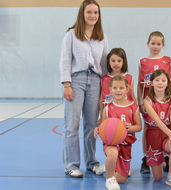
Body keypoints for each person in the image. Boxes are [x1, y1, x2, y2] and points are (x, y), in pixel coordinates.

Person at [59, 0, 108, 178]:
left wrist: (106, 88)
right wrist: (67, 84)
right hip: (76, 80)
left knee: (91, 124)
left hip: (95, 81)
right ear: (82, 13)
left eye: (96, 12)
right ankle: (71, 164)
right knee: (71, 125)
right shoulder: (71, 35)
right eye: (89, 12)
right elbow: (65, 60)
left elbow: (104, 63)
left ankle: (92, 163)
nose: (93, 15)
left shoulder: (102, 36)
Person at [94, 75, 142, 190]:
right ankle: (109, 179)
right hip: (111, 143)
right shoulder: (107, 108)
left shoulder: (134, 107)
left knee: (121, 180)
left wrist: (130, 127)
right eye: (115, 88)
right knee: (112, 154)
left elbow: (139, 127)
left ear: (127, 89)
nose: (118, 90)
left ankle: (107, 167)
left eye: (121, 88)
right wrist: (98, 130)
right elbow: (104, 126)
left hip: (126, 145)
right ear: (110, 90)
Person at [137, 31, 171, 173]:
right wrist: (140, 103)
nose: (155, 46)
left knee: (166, 126)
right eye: (153, 43)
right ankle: (146, 157)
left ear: (163, 45)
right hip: (149, 100)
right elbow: (140, 85)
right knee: (148, 128)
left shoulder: (167, 60)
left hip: (164, 100)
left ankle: (165, 157)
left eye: (158, 44)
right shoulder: (143, 62)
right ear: (148, 44)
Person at [143, 69, 171, 189]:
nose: (160, 83)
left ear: (168, 83)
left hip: (167, 132)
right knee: (158, 177)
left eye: (163, 80)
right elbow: (157, 120)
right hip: (153, 134)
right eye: (157, 80)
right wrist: (170, 134)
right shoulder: (147, 100)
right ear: (151, 83)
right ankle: (162, 160)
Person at [98, 48, 137, 124]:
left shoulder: (129, 78)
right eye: (113, 61)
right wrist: (101, 117)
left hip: (125, 114)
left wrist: (136, 114)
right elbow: (101, 99)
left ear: (123, 62)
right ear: (109, 62)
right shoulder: (104, 79)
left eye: (119, 61)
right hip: (110, 114)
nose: (116, 63)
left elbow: (132, 97)